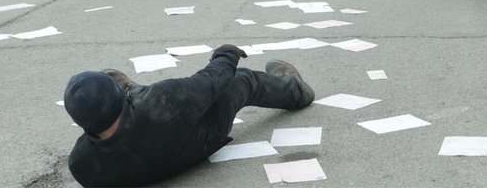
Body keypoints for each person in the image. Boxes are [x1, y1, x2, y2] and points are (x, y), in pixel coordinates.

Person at [63, 46, 314, 187]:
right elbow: (212, 81)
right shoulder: (163, 101)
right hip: (200, 136)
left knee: (145, 103)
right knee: (241, 81)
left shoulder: (81, 164)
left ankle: (131, 90)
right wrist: (225, 54)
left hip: (150, 157)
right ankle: (297, 90)